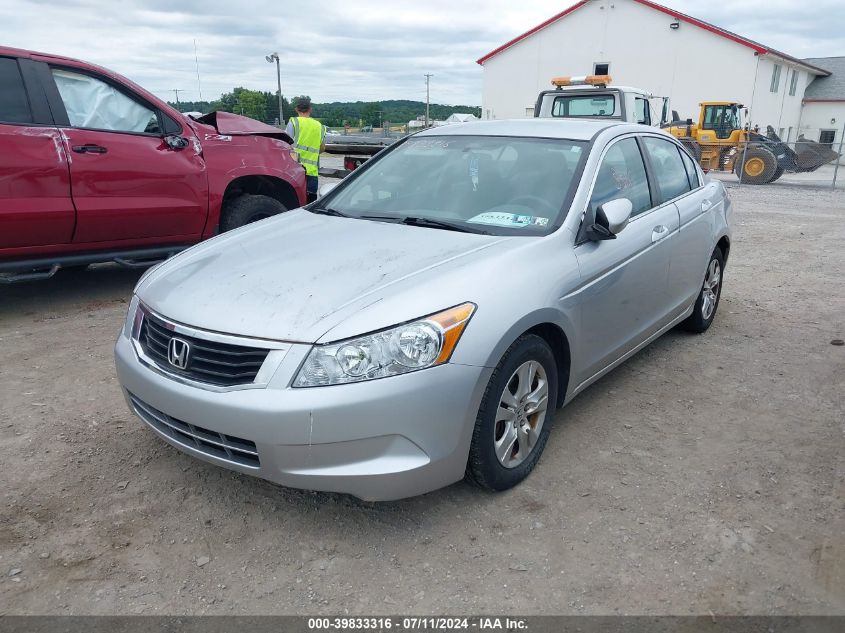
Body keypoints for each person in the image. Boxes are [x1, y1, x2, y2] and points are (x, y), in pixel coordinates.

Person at [286, 97, 326, 203]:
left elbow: (285, 145)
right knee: (310, 205)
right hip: (312, 173)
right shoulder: (319, 126)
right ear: (310, 109)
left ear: (296, 109)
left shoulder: (294, 122)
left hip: (295, 171)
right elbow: (322, 148)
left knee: (293, 204)